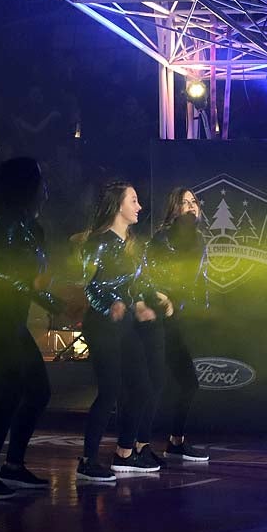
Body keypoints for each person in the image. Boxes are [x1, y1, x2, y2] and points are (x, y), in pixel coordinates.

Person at [0, 157, 64, 500]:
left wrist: (55, 302)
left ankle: (13, 466)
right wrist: (38, 289)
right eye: (41, 181)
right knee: (8, 394)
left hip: (11, 319)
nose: (46, 189)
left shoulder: (30, 226)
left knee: (38, 392)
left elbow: (29, 283)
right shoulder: (1, 222)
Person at [76, 181, 161, 482]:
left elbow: (135, 283)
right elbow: (90, 284)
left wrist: (146, 302)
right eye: (134, 201)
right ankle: (87, 460)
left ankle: (125, 453)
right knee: (110, 390)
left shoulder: (131, 244)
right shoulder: (98, 242)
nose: (139, 207)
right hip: (102, 325)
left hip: (125, 325)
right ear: (118, 206)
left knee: (143, 387)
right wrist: (109, 304)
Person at [139, 187, 210, 463]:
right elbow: (147, 275)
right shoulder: (162, 239)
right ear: (174, 209)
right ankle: (137, 445)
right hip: (157, 318)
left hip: (179, 318)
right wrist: (161, 299)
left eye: (193, 201)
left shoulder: (199, 239)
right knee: (153, 382)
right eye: (184, 202)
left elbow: (194, 280)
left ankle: (176, 442)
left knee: (188, 381)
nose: (191, 206)